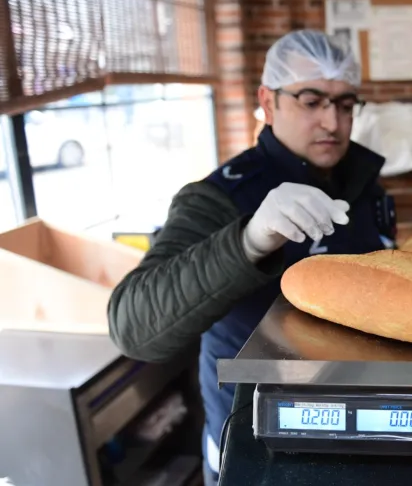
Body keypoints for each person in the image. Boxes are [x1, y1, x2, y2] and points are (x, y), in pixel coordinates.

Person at [106, 30, 396, 486]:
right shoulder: (219, 197)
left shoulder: (365, 186)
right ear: (268, 100)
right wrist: (249, 241)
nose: (332, 123)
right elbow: (134, 326)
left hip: (354, 424)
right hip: (256, 437)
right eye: (310, 100)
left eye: (344, 104)